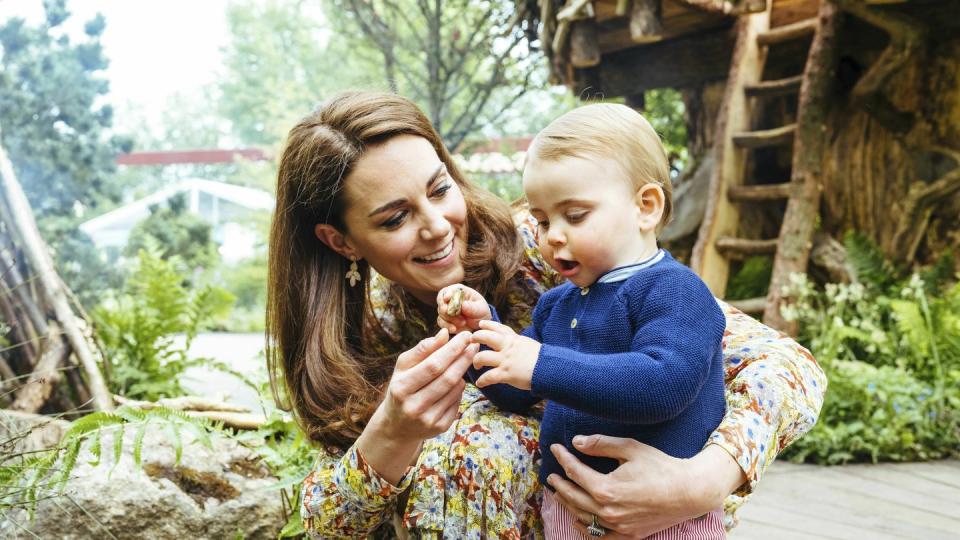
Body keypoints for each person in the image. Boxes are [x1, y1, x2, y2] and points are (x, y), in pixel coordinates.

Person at [266, 91, 827, 539]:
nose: (437, 225)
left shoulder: (558, 252)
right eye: (394, 219)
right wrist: (391, 434)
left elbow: (788, 366)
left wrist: (704, 481)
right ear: (340, 241)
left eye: (440, 189)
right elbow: (328, 525)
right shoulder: (358, 339)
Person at [436, 103, 727, 539]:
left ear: (645, 207)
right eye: (541, 220)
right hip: (569, 511)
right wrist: (481, 336)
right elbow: (513, 393)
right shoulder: (557, 305)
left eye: (574, 215)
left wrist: (538, 363)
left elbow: (665, 383)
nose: (552, 235)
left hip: (664, 517)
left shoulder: (675, 290)